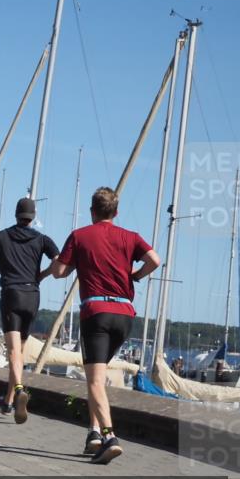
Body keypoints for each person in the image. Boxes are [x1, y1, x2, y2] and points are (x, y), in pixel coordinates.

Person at [51, 187, 160, 464]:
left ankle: (109, 436)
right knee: (95, 377)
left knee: (95, 380)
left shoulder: (80, 235)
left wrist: (73, 261)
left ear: (92, 211)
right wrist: (136, 275)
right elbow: (155, 260)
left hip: (97, 312)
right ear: (116, 212)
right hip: (125, 315)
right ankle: (94, 433)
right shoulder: (131, 237)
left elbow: (59, 272)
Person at [0, 197, 59, 424]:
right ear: (33, 216)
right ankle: (7, 402)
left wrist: (4, 266)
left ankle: (18, 390)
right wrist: (42, 275)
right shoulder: (42, 239)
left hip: (11, 295)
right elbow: (59, 261)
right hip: (32, 296)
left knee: (14, 352)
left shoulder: (2, 237)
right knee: (19, 352)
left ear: (15, 214)